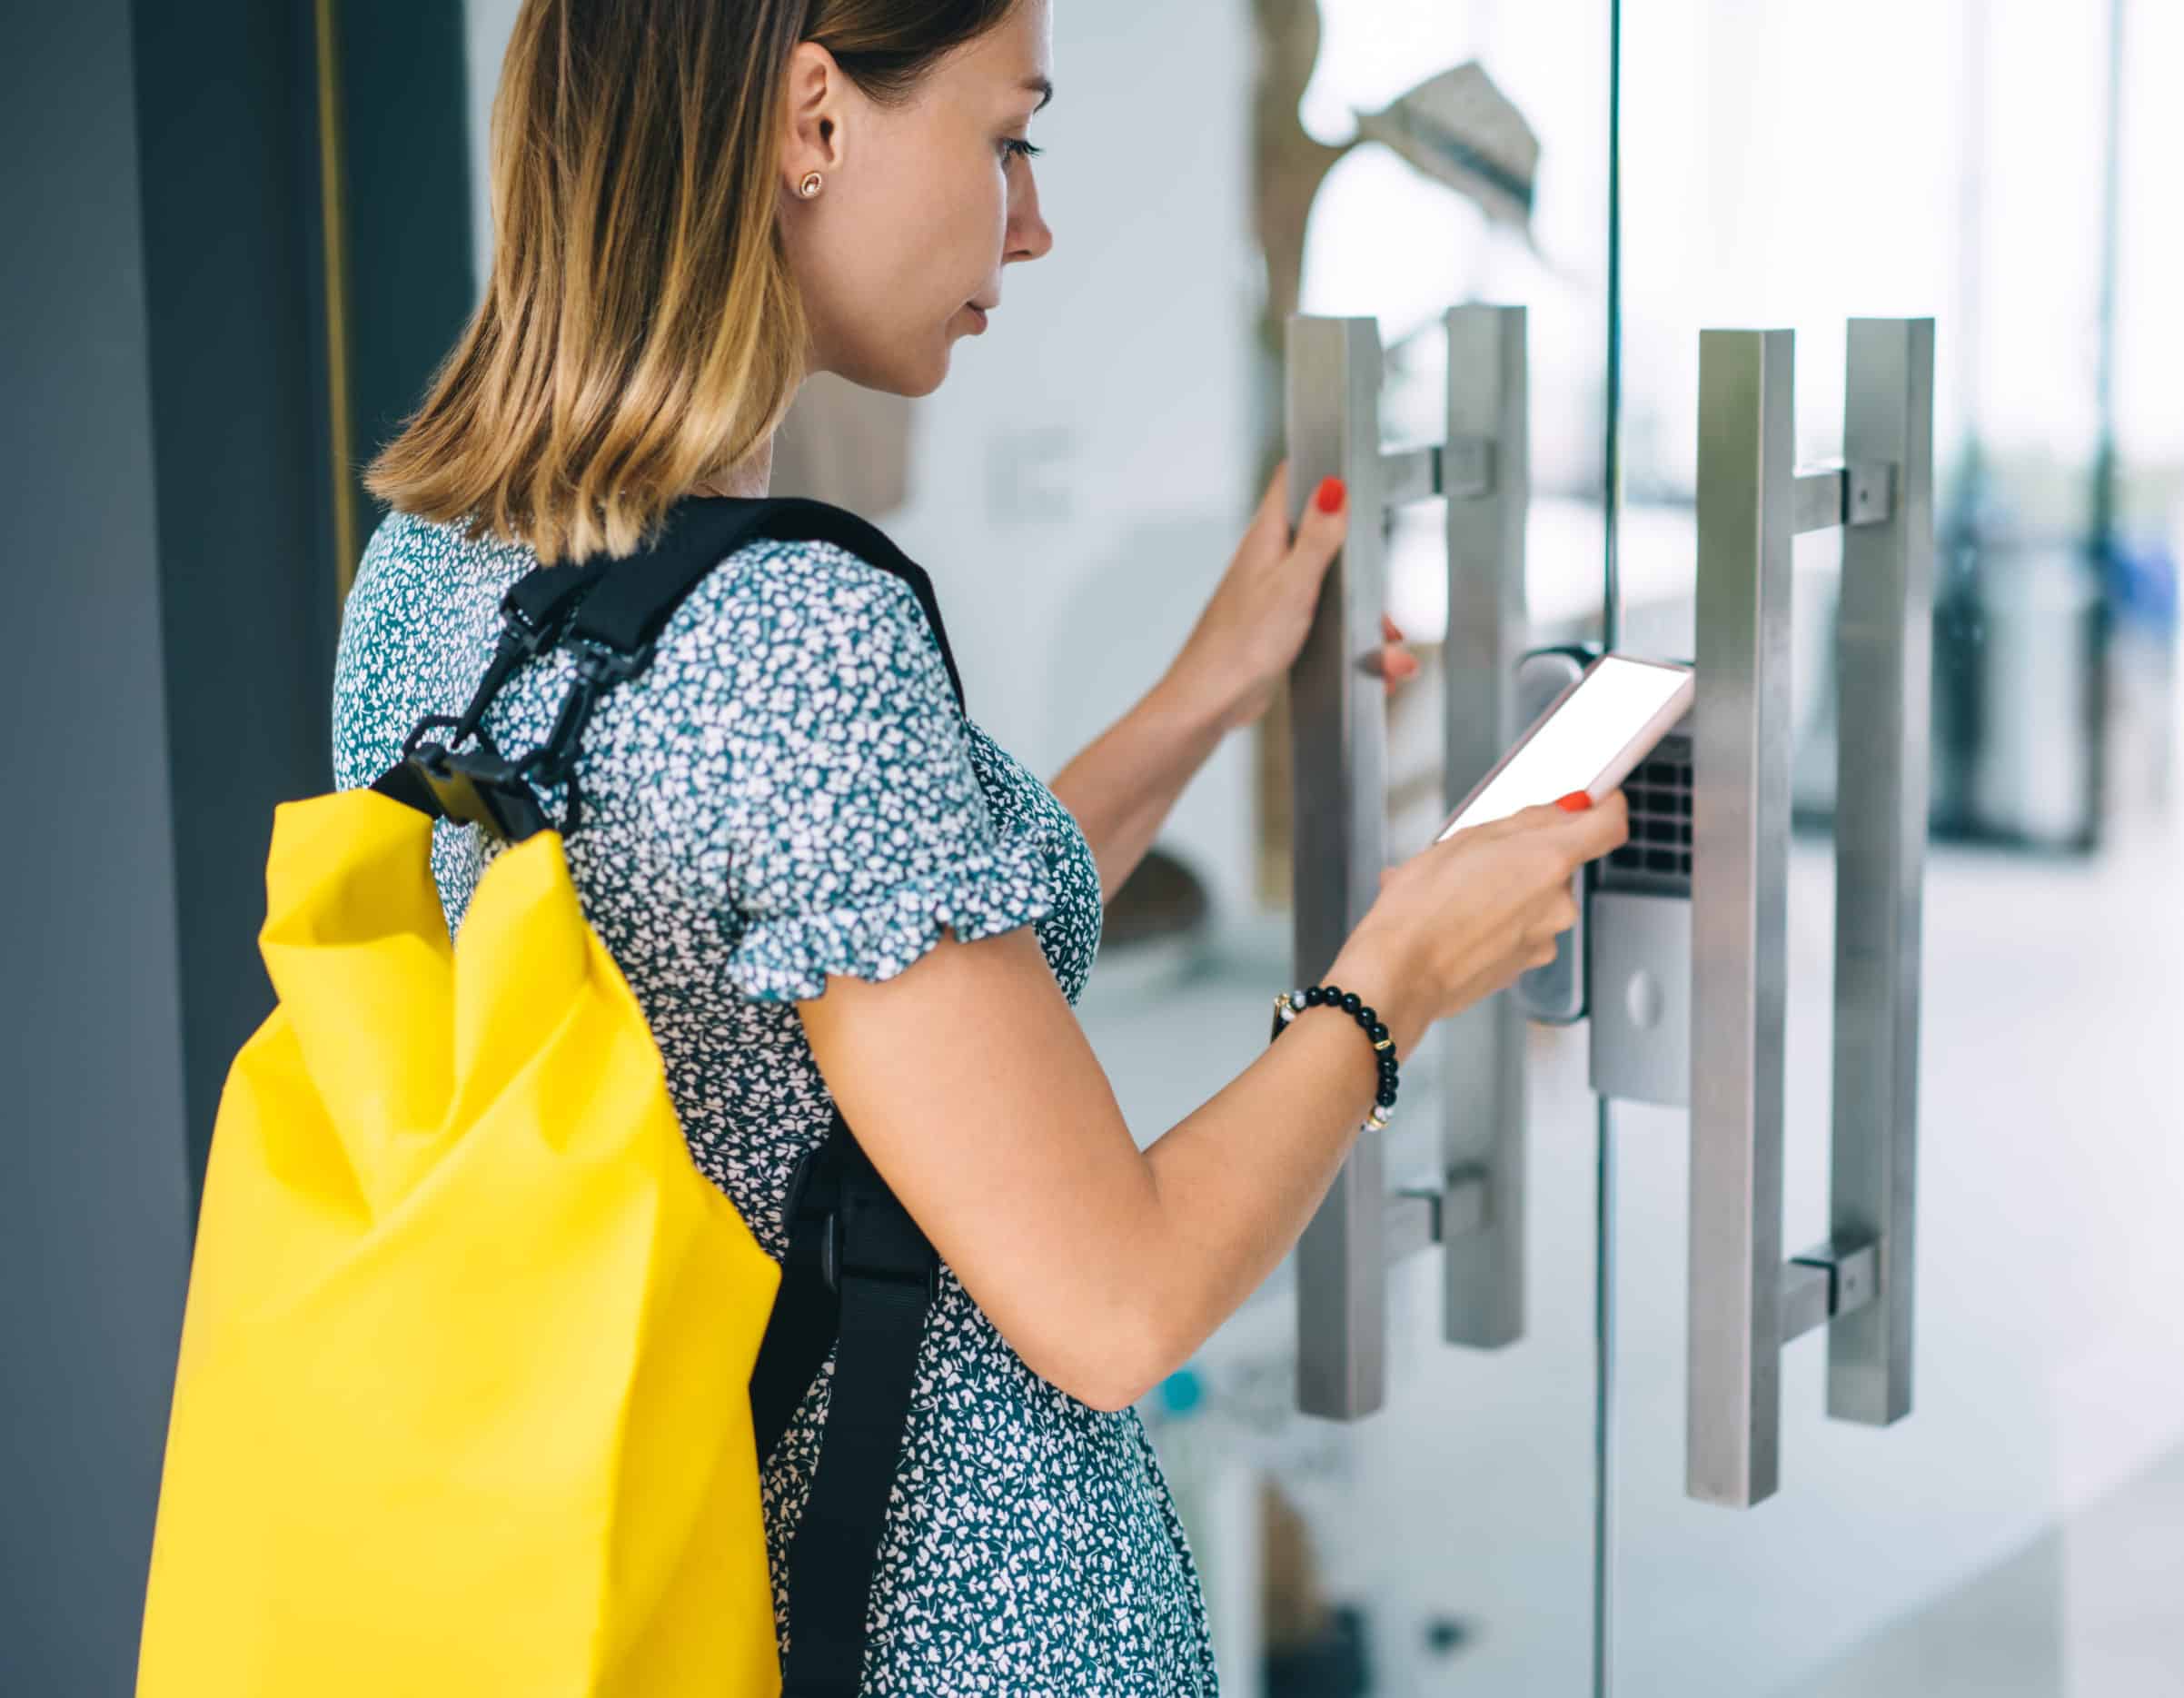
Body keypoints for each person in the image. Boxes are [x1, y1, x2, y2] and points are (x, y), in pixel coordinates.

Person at [330, 1, 1628, 1691]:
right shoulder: (798, 629)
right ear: (813, 118)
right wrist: (1397, 977)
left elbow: (877, 993)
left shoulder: (428, 577)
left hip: (664, 1582)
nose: (1032, 217)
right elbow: (1118, 1301)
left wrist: (1202, 695)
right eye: (1009, 132)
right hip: (932, 1630)